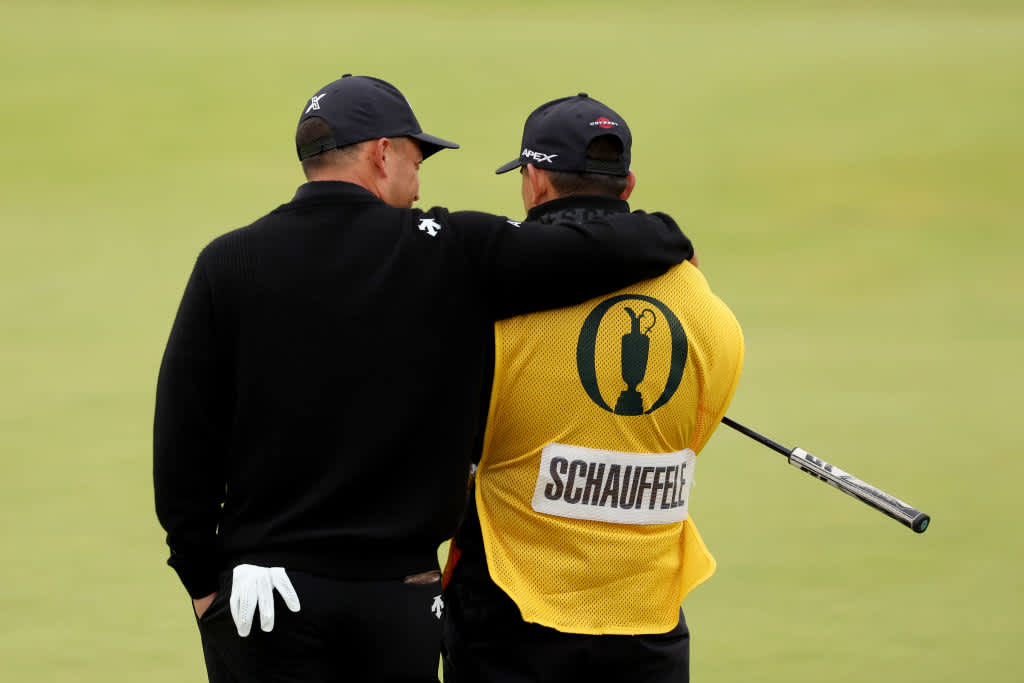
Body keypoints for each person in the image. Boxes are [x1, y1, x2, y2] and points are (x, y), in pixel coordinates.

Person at [153, 75, 693, 683]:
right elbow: (595, 247)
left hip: (261, 596)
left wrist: (203, 585)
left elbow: (182, 439)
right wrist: (670, 238)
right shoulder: (445, 250)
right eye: (416, 158)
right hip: (397, 596)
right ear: (383, 153)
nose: (418, 182)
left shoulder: (229, 260)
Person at [440, 93, 744, 683]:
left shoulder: (493, 301)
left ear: (535, 182)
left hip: (507, 612)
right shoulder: (707, 308)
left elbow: (456, 447)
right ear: (627, 185)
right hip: (647, 617)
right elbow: (695, 431)